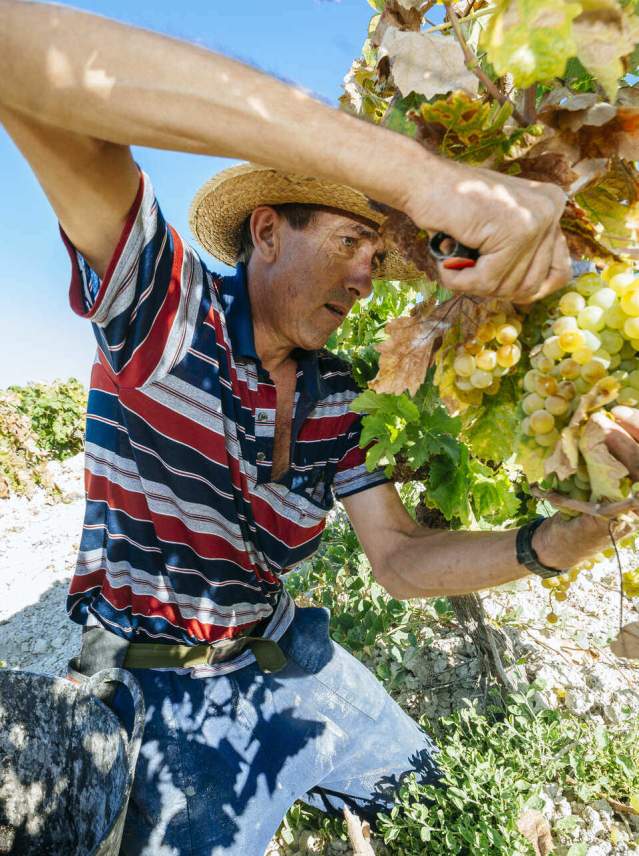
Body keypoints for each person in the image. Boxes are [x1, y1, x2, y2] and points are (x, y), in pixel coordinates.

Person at [2, 3, 639, 854]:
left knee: (436, 801)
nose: (366, 277)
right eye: (348, 243)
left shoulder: (338, 394)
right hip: (158, 692)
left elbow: (398, 559)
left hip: (288, 656)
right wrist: (426, 181)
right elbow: (20, 55)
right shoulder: (167, 313)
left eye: (377, 258)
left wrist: (550, 546)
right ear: (267, 231)